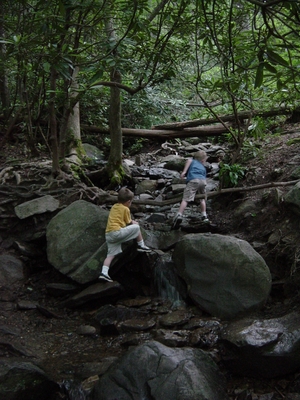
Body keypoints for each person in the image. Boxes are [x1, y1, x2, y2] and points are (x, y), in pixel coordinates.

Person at [99, 187, 151, 282]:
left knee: (110, 255)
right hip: (117, 232)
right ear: (128, 202)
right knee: (136, 227)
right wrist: (135, 222)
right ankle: (141, 245)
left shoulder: (114, 206)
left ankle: (104, 272)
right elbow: (128, 222)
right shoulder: (125, 209)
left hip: (109, 235)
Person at [172, 150, 209, 230]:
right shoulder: (203, 167)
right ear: (203, 160)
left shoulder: (190, 160)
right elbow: (204, 176)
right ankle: (204, 216)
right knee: (202, 199)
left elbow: (185, 170)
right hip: (203, 181)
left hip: (193, 180)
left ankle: (179, 215)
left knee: (186, 199)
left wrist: (183, 173)